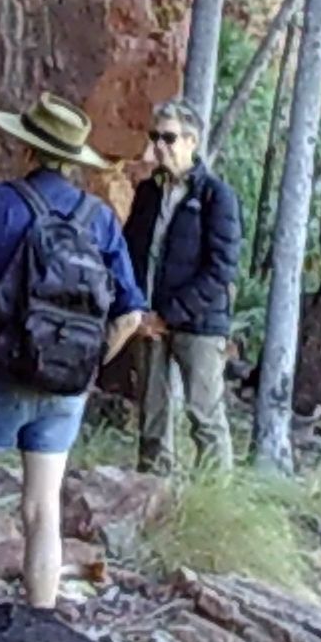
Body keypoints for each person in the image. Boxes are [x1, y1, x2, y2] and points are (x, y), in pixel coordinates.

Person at [0, 93, 145, 611]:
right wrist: (83, 368)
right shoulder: (99, 219)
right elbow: (129, 316)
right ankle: (42, 632)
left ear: (26, 148)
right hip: (64, 387)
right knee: (42, 510)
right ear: (74, 159)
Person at [122, 99, 243, 474]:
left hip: (200, 323)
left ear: (192, 141)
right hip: (147, 319)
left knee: (205, 417)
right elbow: (130, 251)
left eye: (169, 137)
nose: (160, 145)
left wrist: (170, 315)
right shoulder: (147, 193)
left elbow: (221, 268)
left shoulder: (216, 196)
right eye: (155, 136)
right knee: (152, 417)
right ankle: (152, 494)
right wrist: (137, 309)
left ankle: (216, 505)